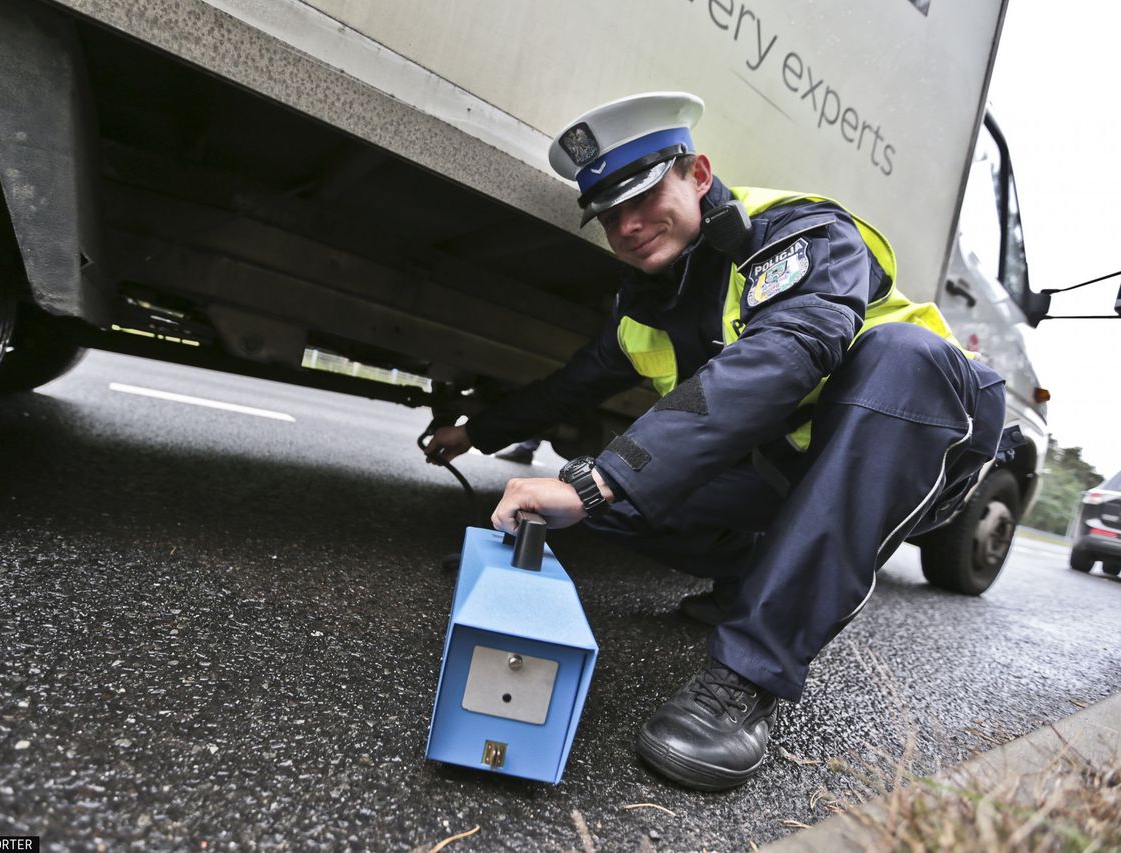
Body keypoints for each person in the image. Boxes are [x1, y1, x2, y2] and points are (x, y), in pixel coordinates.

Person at [423, 92, 1014, 791]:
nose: (630, 224)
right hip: (790, 469)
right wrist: (475, 432)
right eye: (610, 215)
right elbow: (567, 388)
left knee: (901, 355)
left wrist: (599, 478)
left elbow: (788, 351)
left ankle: (745, 680)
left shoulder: (800, 235)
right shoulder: (644, 309)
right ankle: (749, 573)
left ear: (698, 174)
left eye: (645, 194)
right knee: (613, 497)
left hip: (921, 448)